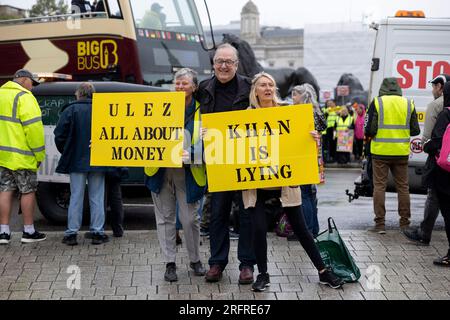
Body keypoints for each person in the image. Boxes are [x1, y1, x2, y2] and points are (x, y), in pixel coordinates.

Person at [244, 72, 344, 291]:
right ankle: (263, 275)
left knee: (301, 228)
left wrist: (313, 135)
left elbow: (318, 125)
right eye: (263, 85)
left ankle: (323, 271)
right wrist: (210, 134)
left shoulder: (288, 111)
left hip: (285, 181)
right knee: (259, 229)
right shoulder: (245, 116)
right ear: (255, 90)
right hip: (256, 183)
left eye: (271, 84)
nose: (268, 88)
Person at [198, 43, 256, 284]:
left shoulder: (250, 85)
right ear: (213, 64)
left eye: (228, 62)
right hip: (217, 159)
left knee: (246, 214)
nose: (223, 66)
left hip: (245, 158)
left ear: (236, 64)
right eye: (219, 61)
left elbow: (273, 110)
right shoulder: (204, 88)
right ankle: (217, 263)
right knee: (218, 214)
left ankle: (246, 265)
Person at [145, 68, 207, 282]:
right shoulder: (159, 107)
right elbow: (139, 133)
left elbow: (212, 141)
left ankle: (195, 259)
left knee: (190, 220)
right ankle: (169, 263)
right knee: (165, 219)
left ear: (194, 87)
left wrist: (193, 153)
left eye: (185, 83)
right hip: (161, 171)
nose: (180, 86)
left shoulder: (203, 111)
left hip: (189, 173)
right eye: (177, 83)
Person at [54, 82, 109, 246]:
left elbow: (59, 135)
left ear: (78, 94)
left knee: (76, 196)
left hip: (76, 160)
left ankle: (71, 233)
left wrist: (67, 151)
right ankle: (97, 232)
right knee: (97, 197)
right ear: (93, 94)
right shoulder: (103, 110)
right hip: (99, 160)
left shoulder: (70, 110)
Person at [365, 77, 420, 234]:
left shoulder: (377, 102)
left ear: (383, 87)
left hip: (380, 151)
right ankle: (404, 224)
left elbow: (369, 129)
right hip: (401, 152)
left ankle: (380, 225)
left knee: (379, 187)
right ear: (398, 88)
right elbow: (415, 130)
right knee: (403, 187)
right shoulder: (408, 103)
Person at [0, 69, 46, 245]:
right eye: (32, 83)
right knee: (27, 191)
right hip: (23, 157)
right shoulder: (25, 98)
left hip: (3, 156)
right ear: (24, 80)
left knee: (5, 190)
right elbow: (34, 130)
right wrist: (39, 154)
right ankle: (28, 231)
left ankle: (3, 232)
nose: (32, 87)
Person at [403, 74, 450, 245]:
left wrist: (427, 147)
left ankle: (424, 232)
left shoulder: (436, 106)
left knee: (434, 195)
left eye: (433, 86)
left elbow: (428, 138)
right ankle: (424, 231)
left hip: (438, 158)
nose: (432, 90)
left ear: (440, 86)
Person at [291, 84, 327, 236]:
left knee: (304, 194)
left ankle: (308, 230)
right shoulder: (316, 112)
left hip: (303, 157)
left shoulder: (302, 113)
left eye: (294, 94)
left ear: (303, 96)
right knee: (311, 194)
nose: (292, 98)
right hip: (315, 157)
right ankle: (314, 228)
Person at [421, 81, 450, 266]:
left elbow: (436, 142)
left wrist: (426, 145)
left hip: (446, 174)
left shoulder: (446, 113)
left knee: (448, 214)